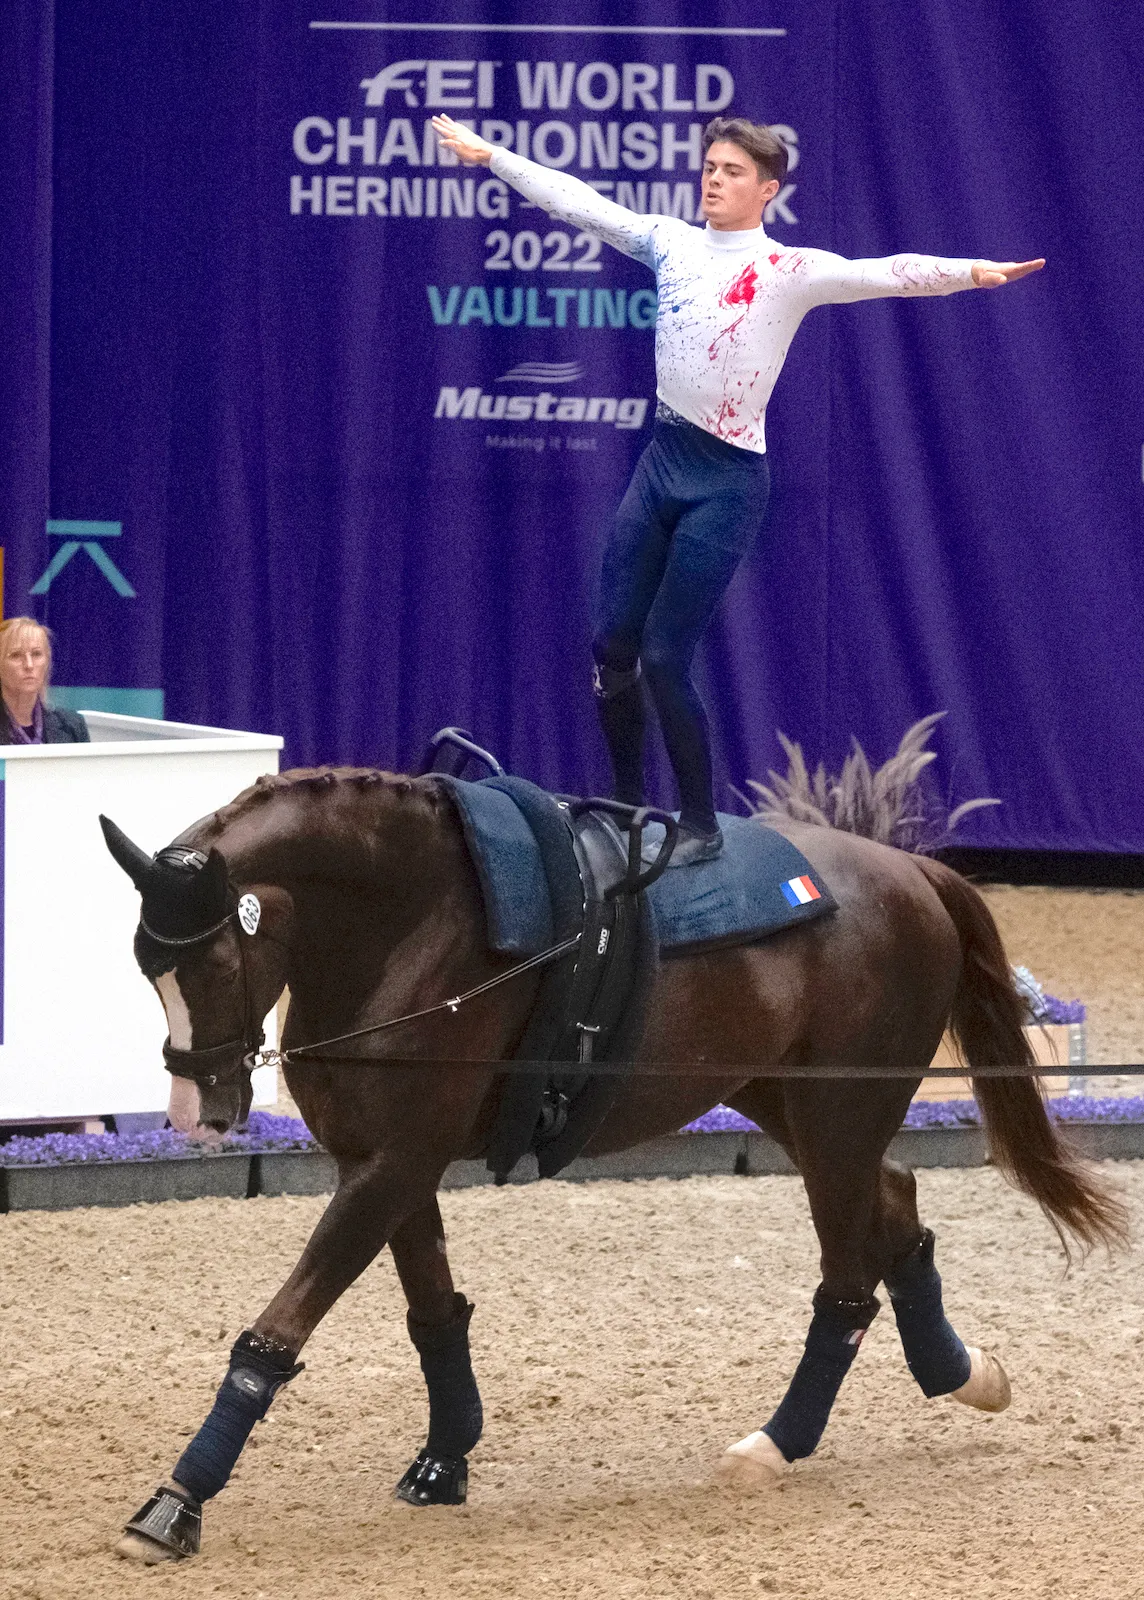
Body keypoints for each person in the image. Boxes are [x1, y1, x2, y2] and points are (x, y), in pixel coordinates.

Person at [432, 113, 1043, 865]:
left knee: (664, 659)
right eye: (710, 168)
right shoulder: (670, 242)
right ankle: (625, 807)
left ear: (767, 190)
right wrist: (493, 156)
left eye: (731, 172)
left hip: (725, 483)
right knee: (612, 646)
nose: (713, 181)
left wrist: (973, 271)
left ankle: (701, 825)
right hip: (662, 462)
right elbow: (581, 204)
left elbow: (883, 272)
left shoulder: (789, 270)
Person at [0, 616, 90, 744]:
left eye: (36, 654)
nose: (29, 665)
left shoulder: (72, 726)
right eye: (16, 655)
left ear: (47, 662)